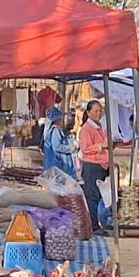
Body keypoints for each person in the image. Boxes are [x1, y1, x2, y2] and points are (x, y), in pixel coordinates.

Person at [78, 100, 111, 234]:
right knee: (92, 196)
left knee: (101, 196)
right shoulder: (86, 129)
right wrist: (101, 146)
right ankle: (94, 226)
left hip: (102, 165)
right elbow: (85, 148)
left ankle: (101, 222)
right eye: (96, 111)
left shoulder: (100, 126)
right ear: (88, 113)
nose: (99, 113)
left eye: (100, 110)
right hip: (92, 165)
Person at [42, 106, 76, 176]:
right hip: (56, 164)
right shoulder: (55, 131)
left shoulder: (52, 130)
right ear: (58, 119)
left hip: (52, 164)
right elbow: (56, 146)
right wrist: (70, 148)